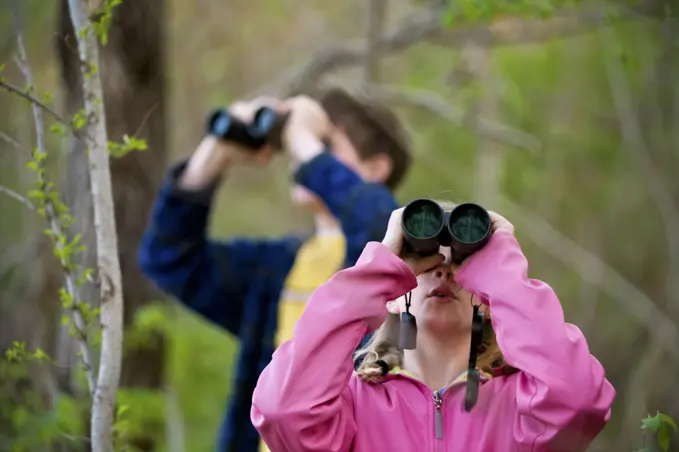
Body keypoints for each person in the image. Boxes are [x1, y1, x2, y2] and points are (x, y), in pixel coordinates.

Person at [138, 88, 412, 452]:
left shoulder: (402, 269)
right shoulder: (278, 267)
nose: (301, 158)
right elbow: (170, 258)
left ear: (376, 168)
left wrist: (300, 137)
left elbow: (381, 226)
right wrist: (216, 153)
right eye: (301, 145)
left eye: (325, 144)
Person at [251, 205, 616, 451]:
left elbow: (579, 401)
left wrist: (503, 273)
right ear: (392, 294)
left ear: (487, 301)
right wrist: (377, 270)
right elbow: (283, 411)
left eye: (458, 264)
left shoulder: (521, 409)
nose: (443, 271)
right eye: (425, 265)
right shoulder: (349, 408)